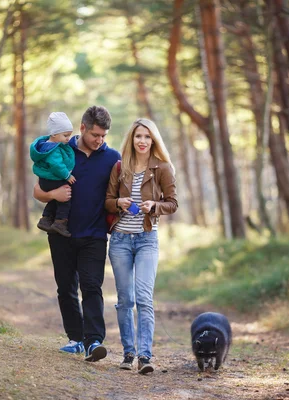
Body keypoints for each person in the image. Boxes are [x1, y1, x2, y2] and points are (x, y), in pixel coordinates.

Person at [33, 106, 120, 362]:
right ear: (82, 128)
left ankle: (94, 342)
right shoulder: (61, 149)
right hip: (61, 233)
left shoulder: (111, 158)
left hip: (94, 235)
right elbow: (37, 191)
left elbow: (119, 193)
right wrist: (53, 195)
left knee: (92, 287)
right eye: (95, 134)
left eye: (103, 135)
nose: (99, 140)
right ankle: (75, 338)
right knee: (66, 288)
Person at [104, 118, 178, 374]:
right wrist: (119, 203)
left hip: (147, 240)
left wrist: (155, 206)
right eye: (138, 136)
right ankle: (128, 354)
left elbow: (172, 203)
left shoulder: (163, 168)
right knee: (125, 300)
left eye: (147, 137)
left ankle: (145, 356)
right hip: (121, 241)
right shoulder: (119, 167)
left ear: (153, 140)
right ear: (132, 139)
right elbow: (107, 201)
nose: (143, 141)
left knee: (144, 299)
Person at [30, 112, 76, 237]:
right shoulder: (53, 149)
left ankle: (45, 219)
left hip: (45, 180)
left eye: (69, 135)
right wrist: (67, 176)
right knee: (65, 200)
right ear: (54, 134)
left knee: (55, 200)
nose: (68, 138)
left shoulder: (46, 146)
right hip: (53, 179)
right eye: (65, 135)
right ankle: (60, 223)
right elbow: (57, 165)